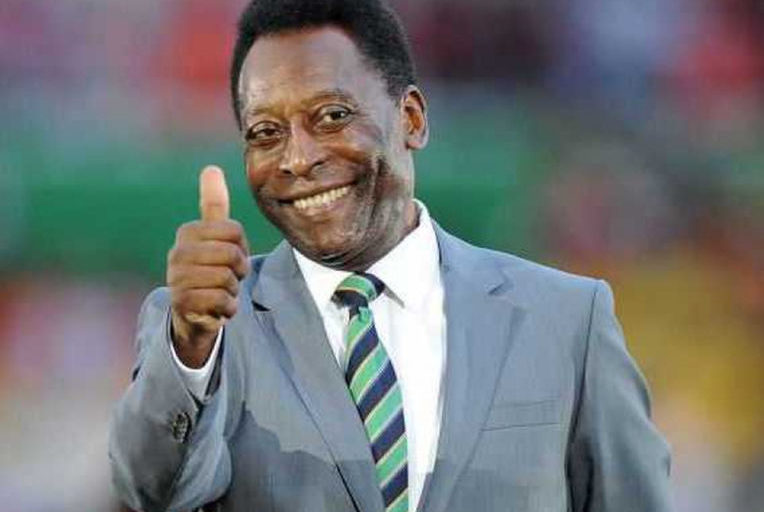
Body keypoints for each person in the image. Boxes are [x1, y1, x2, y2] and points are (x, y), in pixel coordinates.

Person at [109, 1, 673, 511]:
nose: (297, 159)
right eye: (265, 132)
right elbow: (150, 493)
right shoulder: (202, 334)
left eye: (332, 116)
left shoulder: (567, 321)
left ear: (412, 119)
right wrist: (191, 345)